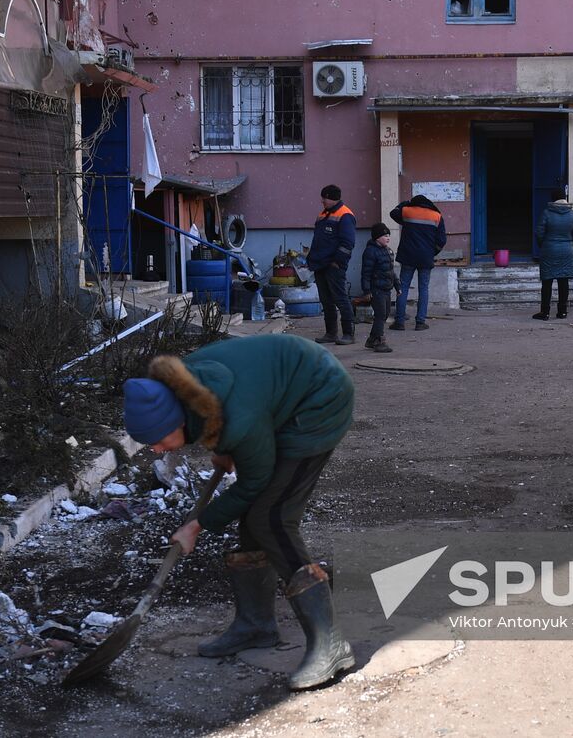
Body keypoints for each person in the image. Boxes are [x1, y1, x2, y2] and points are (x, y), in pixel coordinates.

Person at [122, 334, 356, 689]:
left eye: (157, 440)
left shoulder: (237, 417)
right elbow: (225, 423)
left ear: (177, 421)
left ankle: (331, 644)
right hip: (278, 395)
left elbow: (252, 482)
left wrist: (197, 526)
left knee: (273, 517)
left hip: (319, 401)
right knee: (253, 518)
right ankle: (255, 625)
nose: (155, 451)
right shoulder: (187, 387)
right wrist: (222, 444)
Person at [306, 185, 357, 346]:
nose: (322, 201)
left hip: (333, 265)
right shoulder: (323, 215)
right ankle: (331, 333)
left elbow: (348, 243)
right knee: (326, 300)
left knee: (340, 298)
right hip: (320, 264)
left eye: (324, 198)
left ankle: (348, 333)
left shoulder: (345, 215)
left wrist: (337, 262)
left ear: (332, 198)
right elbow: (318, 240)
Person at [389, 194, 447, 332]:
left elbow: (393, 213)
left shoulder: (407, 211)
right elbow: (442, 240)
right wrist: (432, 253)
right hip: (425, 258)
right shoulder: (436, 215)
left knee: (402, 288)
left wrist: (405, 203)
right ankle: (420, 322)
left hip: (408, 256)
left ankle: (399, 322)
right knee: (423, 289)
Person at [533, 190, 573, 320]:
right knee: (563, 282)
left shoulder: (547, 213)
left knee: (547, 283)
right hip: (567, 251)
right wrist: (571, 245)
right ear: (565, 198)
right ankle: (562, 312)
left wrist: (544, 245)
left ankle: (545, 312)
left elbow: (539, 233)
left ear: (552, 199)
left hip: (549, 250)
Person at [358, 222, 396, 353]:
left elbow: (391, 271)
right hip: (376, 290)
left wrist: (398, 285)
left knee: (384, 315)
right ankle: (380, 342)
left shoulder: (388, 251)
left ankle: (371, 339)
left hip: (387, 289)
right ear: (377, 238)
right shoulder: (370, 252)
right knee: (380, 315)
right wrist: (367, 290)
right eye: (385, 235)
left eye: (388, 235)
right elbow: (366, 273)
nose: (388, 238)